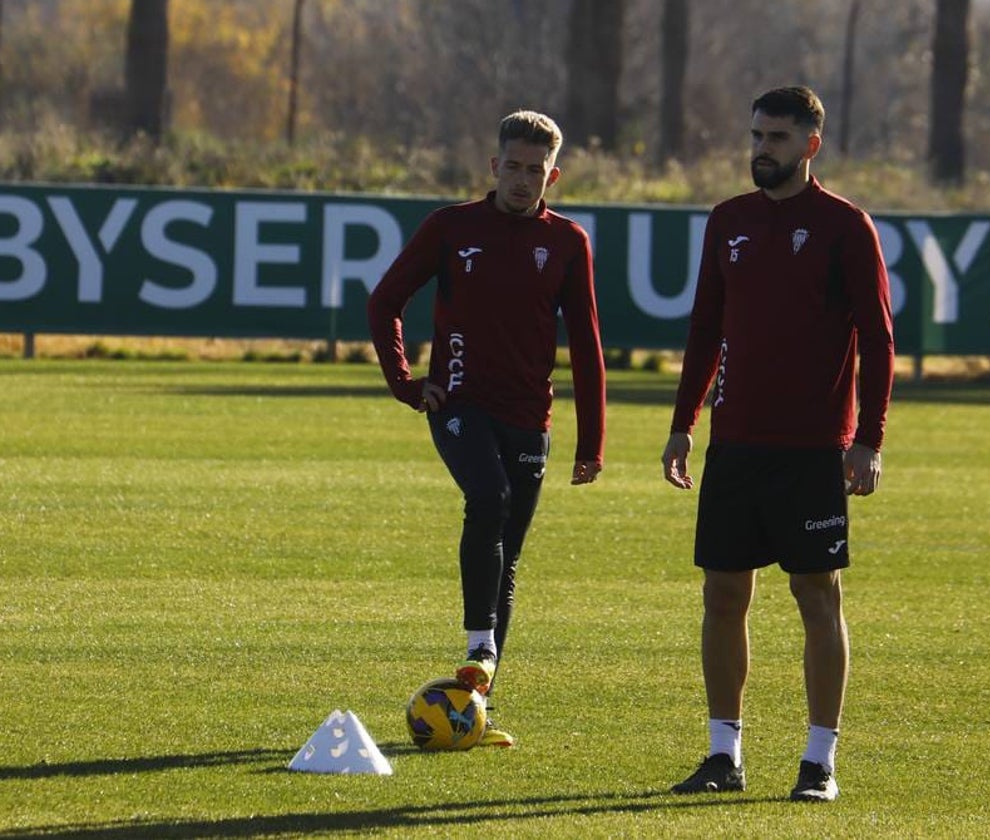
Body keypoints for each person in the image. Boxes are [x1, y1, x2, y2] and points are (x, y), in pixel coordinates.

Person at [661, 86, 894, 801]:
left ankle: (819, 761)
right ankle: (722, 756)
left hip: (812, 449)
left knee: (816, 597)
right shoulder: (727, 220)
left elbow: (879, 340)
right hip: (735, 443)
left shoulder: (844, 226)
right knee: (723, 594)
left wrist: (868, 441)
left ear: (811, 145)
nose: (763, 149)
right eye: (758, 135)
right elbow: (705, 329)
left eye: (779, 138)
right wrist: (683, 424)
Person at [367, 110, 606, 748]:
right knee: (489, 499)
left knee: (509, 556)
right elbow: (384, 301)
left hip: (530, 418)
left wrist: (592, 443)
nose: (525, 180)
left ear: (553, 175)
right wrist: (407, 384)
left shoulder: (567, 243)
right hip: (459, 404)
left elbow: (586, 346)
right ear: (493, 166)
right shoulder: (451, 228)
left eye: (538, 170)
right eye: (515, 167)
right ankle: (479, 645)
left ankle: (475, 697)